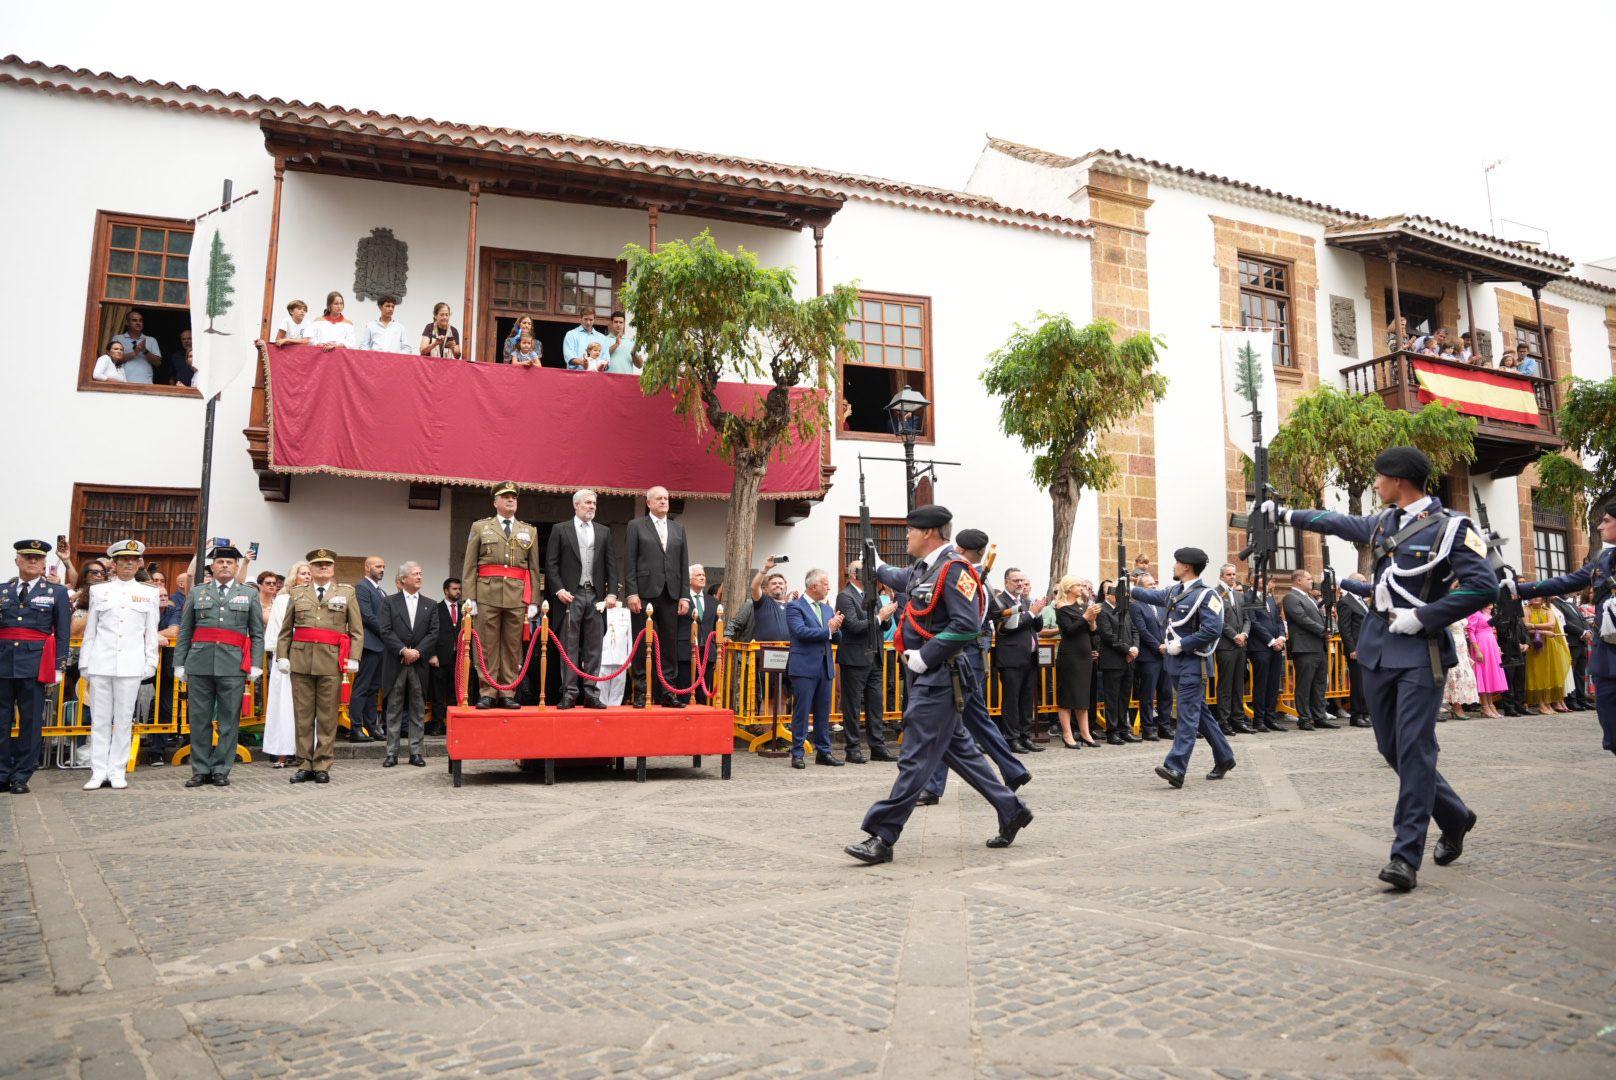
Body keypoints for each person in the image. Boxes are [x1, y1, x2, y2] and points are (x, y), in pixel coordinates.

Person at [1272, 446, 1496, 890]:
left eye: (1379, 477)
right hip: (1378, 649)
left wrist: (1426, 616)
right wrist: (1283, 514)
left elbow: (1482, 585)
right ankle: (1454, 816)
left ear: (1398, 479)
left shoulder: (1453, 528)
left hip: (1418, 650)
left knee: (1415, 748)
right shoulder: (1384, 523)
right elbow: (1332, 520)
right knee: (1392, 750)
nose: (1375, 485)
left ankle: (1404, 856)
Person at [844, 505, 1033, 865]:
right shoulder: (924, 567)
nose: (907, 538)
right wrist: (876, 562)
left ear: (929, 533)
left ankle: (882, 835)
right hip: (928, 676)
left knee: (914, 758)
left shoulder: (954, 569)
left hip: (940, 676)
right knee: (958, 750)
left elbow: (966, 626)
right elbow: (902, 579)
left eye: (911, 532)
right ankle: (1011, 809)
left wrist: (926, 655)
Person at [919, 530, 1031, 803]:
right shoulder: (976, 576)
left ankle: (933, 786)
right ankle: (1013, 769)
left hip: (962, 655)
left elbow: (972, 618)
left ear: (959, 549)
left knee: (945, 721)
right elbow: (990, 611)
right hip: (969, 654)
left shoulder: (966, 576)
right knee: (975, 719)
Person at [1508, 502, 1616, 752]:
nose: (1600, 526)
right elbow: (1565, 582)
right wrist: (1517, 589)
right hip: (1608, 657)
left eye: (1607, 520)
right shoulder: (1602, 560)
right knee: (1611, 731)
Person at [1132, 547, 1235, 788]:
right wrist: (1128, 587)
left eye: (1177, 563)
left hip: (1193, 662)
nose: (1174, 566)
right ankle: (1225, 757)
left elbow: (1212, 629)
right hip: (1175, 664)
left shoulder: (1207, 595)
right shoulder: (1176, 591)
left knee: (1187, 716)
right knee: (1200, 714)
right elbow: (1153, 596)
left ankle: (1176, 767)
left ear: (1187, 567)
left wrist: (1183, 644)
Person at [173, 545, 264, 788]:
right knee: (199, 718)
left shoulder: (249, 594)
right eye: (220, 561)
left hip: (233, 665)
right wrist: (179, 663)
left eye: (229, 562)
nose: (224, 565)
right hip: (200, 662)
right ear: (212, 567)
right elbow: (185, 630)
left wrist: (256, 664)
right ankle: (200, 769)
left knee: (228, 720)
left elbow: (256, 633)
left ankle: (222, 768)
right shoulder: (198, 592)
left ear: (236, 567)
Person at [276, 548, 364, 783]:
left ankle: (323, 763)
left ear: (333, 568)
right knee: (303, 715)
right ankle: (305, 763)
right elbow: (285, 631)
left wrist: (353, 657)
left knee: (326, 716)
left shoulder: (346, 593)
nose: (323, 568)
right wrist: (282, 656)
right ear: (311, 569)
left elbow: (356, 630)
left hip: (331, 662)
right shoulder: (297, 593)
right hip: (301, 660)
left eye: (327, 564)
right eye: (318, 565)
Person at [79, 539, 160, 790]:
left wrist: (151, 662)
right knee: (100, 720)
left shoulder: (149, 593)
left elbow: (151, 631)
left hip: (131, 665)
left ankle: (117, 770)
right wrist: (85, 663)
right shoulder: (99, 591)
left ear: (139, 564)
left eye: (133, 560)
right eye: (123, 559)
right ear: (114, 563)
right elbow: (90, 631)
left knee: (124, 720)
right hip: (101, 662)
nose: (128, 563)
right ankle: (97, 770)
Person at [0, 540, 72, 795]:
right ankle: (1, 773)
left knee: (31, 724)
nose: (32, 561)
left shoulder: (57, 593)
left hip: (35, 664)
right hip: (3, 661)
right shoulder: (3, 590)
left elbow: (63, 633)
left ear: (44, 564)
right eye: (27, 557)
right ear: (17, 560)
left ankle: (21, 775)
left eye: (37, 558)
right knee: (1, 722)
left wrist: (59, 667)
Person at [462, 483, 541, 709]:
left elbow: (534, 569)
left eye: (513, 497)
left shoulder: (529, 531)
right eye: (505, 497)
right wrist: (470, 597)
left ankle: (507, 692)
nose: (510, 501)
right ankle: (487, 692)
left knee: (512, 646)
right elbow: (469, 564)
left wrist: (534, 599)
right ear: (495, 502)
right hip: (486, 593)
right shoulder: (480, 527)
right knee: (486, 645)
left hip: (516, 597)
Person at [545, 489, 617, 710]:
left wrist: (612, 593)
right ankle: (569, 693)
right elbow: (551, 564)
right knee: (569, 645)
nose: (592, 506)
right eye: (587, 503)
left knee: (594, 646)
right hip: (571, 595)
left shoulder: (603, 531)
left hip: (594, 595)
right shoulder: (560, 529)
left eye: (594, 503)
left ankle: (591, 693)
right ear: (576, 505)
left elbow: (611, 565)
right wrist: (558, 590)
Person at [625, 486, 691, 709]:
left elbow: (683, 564)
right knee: (642, 641)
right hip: (644, 593)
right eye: (659, 499)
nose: (664, 502)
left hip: (671, 593)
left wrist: (685, 596)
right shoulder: (636, 526)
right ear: (649, 503)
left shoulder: (678, 528)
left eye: (666, 498)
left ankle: (668, 691)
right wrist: (631, 592)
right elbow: (629, 561)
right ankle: (642, 691)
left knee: (669, 644)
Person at [836, 561, 898, 762]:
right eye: (865, 571)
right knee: (853, 705)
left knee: (875, 705)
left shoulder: (872, 594)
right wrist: (880, 618)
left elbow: (884, 623)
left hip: (875, 656)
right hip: (855, 658)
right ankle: (853, 748)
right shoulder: (845, 596)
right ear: (853, 574)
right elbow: (853, 625)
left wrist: (887, 614)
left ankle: (877, 746)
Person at [379, 562, 438, 767]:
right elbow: (385, 630)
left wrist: (418, 652)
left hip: (419, 664)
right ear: (403, 579)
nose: (420, 577)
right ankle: (391, 753)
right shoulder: (389, 602)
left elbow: (433, 633)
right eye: (415, 574)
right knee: (393, 708)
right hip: (397, 662)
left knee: (418, 709)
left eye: (421, 573)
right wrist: (403, 651)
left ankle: (415, 752)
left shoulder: (430, 604)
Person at [785, 569, 844, 768]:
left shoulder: (827, 608)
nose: (828, 587)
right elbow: (801, 632)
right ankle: (798, 752)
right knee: (801, 712)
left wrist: (836, 628)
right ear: (813, 586)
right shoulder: (795, 607)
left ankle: (824, 752)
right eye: (825, 583)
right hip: (803, 667)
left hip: (825, 666)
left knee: (823, 712)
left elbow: (835, 638)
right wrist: (828, 629)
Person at [992, 567, 1045, 753]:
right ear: (1006, 582)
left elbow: (1037, 628)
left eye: (1022, 580)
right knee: (1012, 700)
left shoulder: (1025, 600)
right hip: (1011, 659)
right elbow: (1007, 627)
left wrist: (1037, 613)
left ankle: (1025, 735)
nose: (1021, 584)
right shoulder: (1000, 602)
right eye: (1016, 581)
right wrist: (1030, 613)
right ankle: (1011, 738)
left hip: (1030, 657)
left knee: (1026, 699)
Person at [263, 561, 310, 766]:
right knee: (283, 705)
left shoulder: (316, 598)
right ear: (294, 577)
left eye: (309, 573)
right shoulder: (282, 600)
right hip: (285, 658)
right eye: (303, 573)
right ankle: (281, 752)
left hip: (308, 657)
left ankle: (304, 752)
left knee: (305, 706)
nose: (307, 576)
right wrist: (282, 655)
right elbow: (275, 631)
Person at [1283, 569, 1334, 730]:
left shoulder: (1309, 597)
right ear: (1298, 580)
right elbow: (1302, 619)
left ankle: (1319, 716)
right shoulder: (1291, 597)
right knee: (1304, 685)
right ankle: (1304, 718)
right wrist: (1323, 630)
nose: (1312, 581)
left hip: (1318, 647)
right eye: (1309, 579)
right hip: (1304, 648)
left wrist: (1328, 629)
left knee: (1319, 684)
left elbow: (1317, 617)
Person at [1052, 576, 1099, 748]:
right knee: (1068, 695)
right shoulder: (1061, 607)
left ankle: (1085, 734)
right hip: (1070, 656)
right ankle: (1067, 734)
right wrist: (1085, 617)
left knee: (1082, 696)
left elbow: (1093, 633)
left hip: (1085, 655)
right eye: (1078, 585)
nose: (1081, 587)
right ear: (1069, 587)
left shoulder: (1083, 606)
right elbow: (1069, 631)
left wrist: (1092, 621)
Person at [1096, 579, 1140, 744]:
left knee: (1124, 697)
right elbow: (1108, 636)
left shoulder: (1124, 610)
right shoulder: (1102, 610)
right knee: (1112, 697)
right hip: (1113, 660)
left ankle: (1123, 729)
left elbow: (1134, 630)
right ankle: (1112, 731)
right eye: (1119, 594)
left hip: (1128, 660)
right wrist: (1127, 650)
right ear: (1109, 594)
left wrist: (1134, 648)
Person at [1212, 563, 1253, 736]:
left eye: (1234, 574)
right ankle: (1224, 721)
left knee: (1238, 684)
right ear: (1221, 576)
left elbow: (1247, 619)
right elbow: (1217, 620)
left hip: (1240, 645)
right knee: (1226, 685)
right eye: (1228, 574)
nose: (1232, 577)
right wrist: (1233, 635)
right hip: (1226, 646)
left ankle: (1238, 719)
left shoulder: (1238, 595)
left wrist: (1243, 634)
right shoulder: (1215, 594)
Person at [1129, 573, 1170, 740]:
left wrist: (1167, 644)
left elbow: (1168, 626)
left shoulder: (1161, 605)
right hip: (1149, 656)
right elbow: (1141, 630)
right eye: (1149, 585)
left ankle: (1165, 727)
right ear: (1140, 589)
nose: (1154, 587)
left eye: (1154, 584)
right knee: (1147, 694)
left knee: (1166, 693)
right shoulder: (1136, 605)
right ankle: (1148, 728)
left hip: (1165, 654)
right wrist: (1157, 646)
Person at [351, 556, 388, 740]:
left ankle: (371, 726)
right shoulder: (362, 588)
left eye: (383, 566)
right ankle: (356, 727)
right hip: (369, 645)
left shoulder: (380, 591)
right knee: (362, 687)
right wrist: (388, 633)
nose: (382, 569)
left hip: (380, 646)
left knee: (374, 689)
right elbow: (367, 616)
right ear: (367, 567)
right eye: (378, 566)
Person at [1245, 585, 1287, 732]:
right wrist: (1271, 640)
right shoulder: (1248, 597)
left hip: (1276, 646)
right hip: (1260, 647)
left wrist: (1281, 638)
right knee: (1261, 684)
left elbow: (1279, 620)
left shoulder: (1269, 597)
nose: (1268, 582)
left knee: (1273, 684)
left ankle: (1270, 718)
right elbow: (1254, 622)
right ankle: (1259, 720)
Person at [1522, 596, 1573, 715]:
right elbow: (1525, 627)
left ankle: (1547, 702)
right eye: (1533, 596)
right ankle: (1540, 703)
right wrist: (1543, 631)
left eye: (1538, 596)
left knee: (1548, 673)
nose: (1535, 598)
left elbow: (1551, 624)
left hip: (1549, 645)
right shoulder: (1526, 609)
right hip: (1535, 645)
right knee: (1537, 673)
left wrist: (1533, 626)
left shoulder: (1547, 609)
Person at [676, 565, 717, 705]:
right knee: (685, 692)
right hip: (685, 650)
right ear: (689, 580)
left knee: (703, 694)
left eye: (704, 575)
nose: (702, 577)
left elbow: (715, 626)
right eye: (698, 575)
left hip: (706, 652)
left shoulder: (712, 601)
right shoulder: (681, 599)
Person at [429, 577, 465, 733]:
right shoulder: (435, 608)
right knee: (438, 693)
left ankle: (452, 723)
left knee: (454, 692)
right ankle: (437, 724)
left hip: (459, 658)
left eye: (459, 589)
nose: (458, 592)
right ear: (446, 590)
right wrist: (432, 654)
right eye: (454, 589)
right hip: (440, 657)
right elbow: (430, 633)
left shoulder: (465, 609)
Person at [1550, 595, 1594, 711]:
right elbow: (1565, 623)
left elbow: (1582, 619)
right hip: (1571, 641)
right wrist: (1582, 631)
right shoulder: (1556, 603)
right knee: (1571, 672)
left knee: (1580, 673)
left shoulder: (1570, 603)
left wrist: (1588, 630)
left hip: (1581, 641)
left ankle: (1581, 699)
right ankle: (1571, 700)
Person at [1337, 574, 1370, 726]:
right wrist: (1352, 648)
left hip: (1368, 648)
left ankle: (1365, 712)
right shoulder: (1346, 602)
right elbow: (1344, 628)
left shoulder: (1362, 602)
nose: (1366, 584)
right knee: (1358, 682)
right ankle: (1356, 715)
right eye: (1363, 582)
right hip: (1356, 649)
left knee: (1366, 683)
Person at [1442, 619, 1479, 721]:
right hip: (1452, 644)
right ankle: (1456, 706)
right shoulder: (1447, 610)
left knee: (1462, 676)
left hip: (1462, 646)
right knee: (1454, 675)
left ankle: (1458, 705)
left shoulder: (1460, 610)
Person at [112, 310, 160, 384]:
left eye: (140, 320)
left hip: (145, 384)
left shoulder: (151, 340)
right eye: (134, 320)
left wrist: (144, 351)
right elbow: (113, 360)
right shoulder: (118, 338)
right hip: (122, 382)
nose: (138, 323)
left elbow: (158, 363)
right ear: (127, 323)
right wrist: (134, 353)